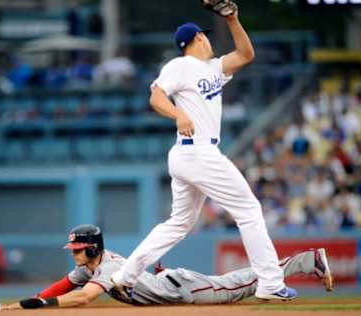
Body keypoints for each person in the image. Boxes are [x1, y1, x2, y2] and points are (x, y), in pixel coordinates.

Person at [110, 3, 297, 301]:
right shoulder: (179, 65)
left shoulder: (213, 68)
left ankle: (123, 276)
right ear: (198, 38)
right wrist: (177, 115)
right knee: (248, 210)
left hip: (191, 155)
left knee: (179, 223)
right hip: (197, 151)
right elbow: (156, 97)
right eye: (206, 36)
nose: (209, 40)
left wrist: (234, 20)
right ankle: (271, 283)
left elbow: (247, 55)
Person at [3, 225, 334, 310]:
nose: (73, 253)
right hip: (170, 286)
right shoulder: (90, 267)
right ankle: (307, 261)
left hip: (184, 290)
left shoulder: (104, 269)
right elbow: (63, 286)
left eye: (77, 248)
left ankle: (309, 260)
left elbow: (82, 300)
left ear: (92, 248)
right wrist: (32, 300)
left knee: (244, 284)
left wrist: (36, 305)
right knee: (242, 282)